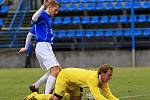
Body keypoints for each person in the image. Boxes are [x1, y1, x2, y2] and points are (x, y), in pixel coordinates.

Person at [18, 0, 61, 94]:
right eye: (55, 10)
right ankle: (46, 95)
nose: (56, 12)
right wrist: (42, 6)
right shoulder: (43, 15)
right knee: (56, 70)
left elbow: (29, 34)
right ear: (49, 8)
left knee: (55, 70)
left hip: (43, 47)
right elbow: (33, 18)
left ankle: (35, 86)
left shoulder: (43, 21)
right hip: (44, 45)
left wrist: (25, 47)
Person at [24, 64, 119, 100]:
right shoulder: (93, 79)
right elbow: (98, 97)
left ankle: (63, 94)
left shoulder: (103, 81)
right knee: (55, 99)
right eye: (109, 75)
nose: (111, 77)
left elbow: (109, 95)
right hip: (65, 76)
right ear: (102, 73)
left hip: (75, 83)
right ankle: (34, 96)